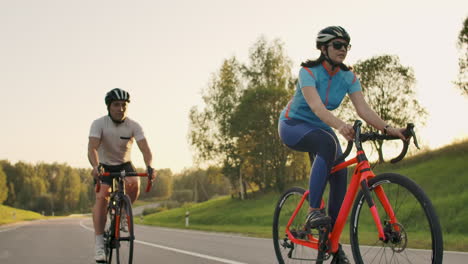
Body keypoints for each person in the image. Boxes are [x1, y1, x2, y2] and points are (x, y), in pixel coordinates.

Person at [278, 26, 406, 263]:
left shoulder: (349, 76)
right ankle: (314, 210)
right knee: (328, 143)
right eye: (338, 45)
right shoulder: (308, 72)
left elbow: (364, 109)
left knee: (340, 169)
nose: (343, 50)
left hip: (321, 126)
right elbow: (317, 108)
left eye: (346, 45)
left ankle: (333, 244)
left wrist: (390, 129)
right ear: (324, 48)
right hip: (292, 124)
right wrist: (340, 125)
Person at [88, 88, 157, 262]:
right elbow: (92, 148)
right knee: (102, 195)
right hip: (104, 165)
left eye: (124, 105)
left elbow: (145, 149)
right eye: (116, 105)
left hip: (124, 163)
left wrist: (149, 166)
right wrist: (96, 167)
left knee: (134, 182)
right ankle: (98, 244)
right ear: (109, 107)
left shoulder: (134, 125)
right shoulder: (99, 124)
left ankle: (124, 214)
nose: (121, 108)